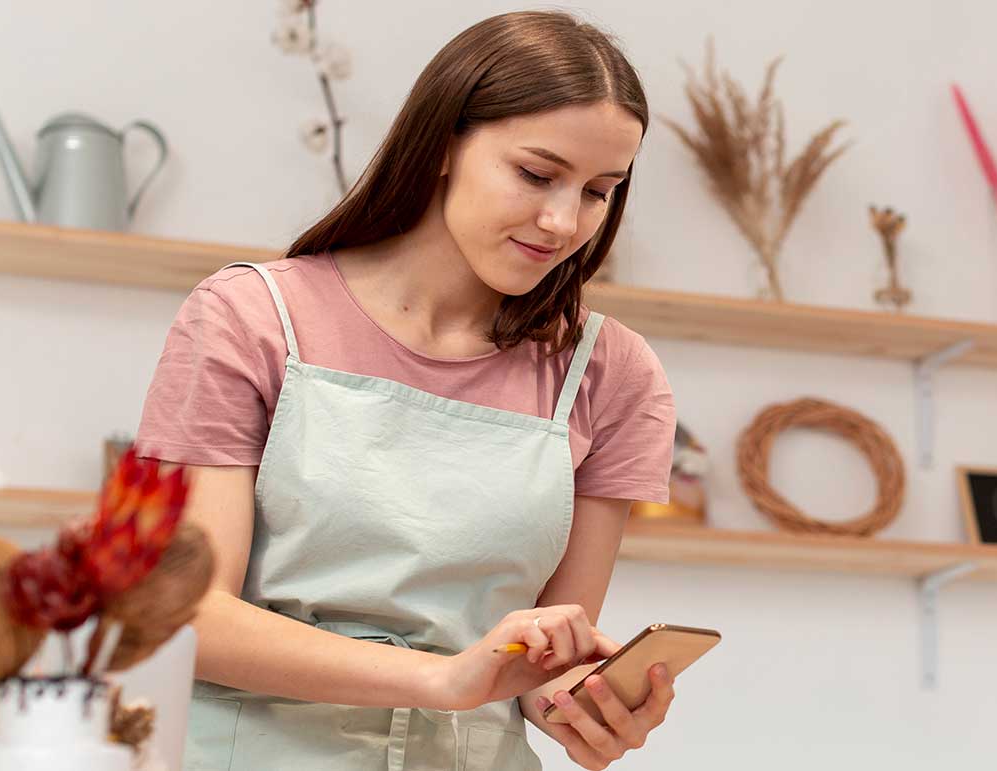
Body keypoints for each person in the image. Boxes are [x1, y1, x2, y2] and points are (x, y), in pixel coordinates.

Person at [133, 11, 677, 770]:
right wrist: (441, 678)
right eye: (536, 173)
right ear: (446, 141)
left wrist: (587, 704)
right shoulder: (251, 317)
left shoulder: (612, 374)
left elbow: (545, 666)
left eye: (599, 190)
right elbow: (190, 614)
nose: (564, 221)